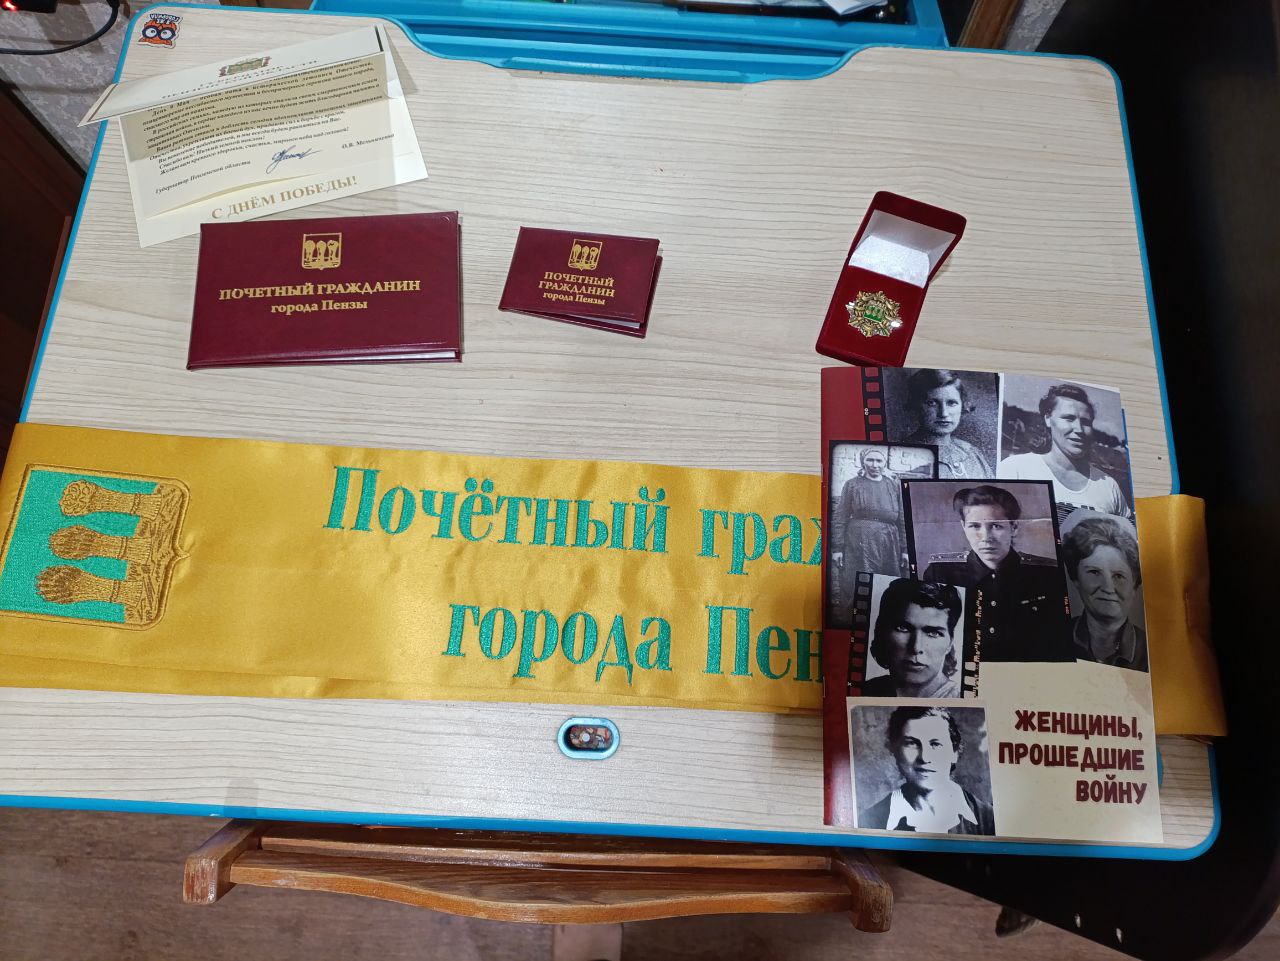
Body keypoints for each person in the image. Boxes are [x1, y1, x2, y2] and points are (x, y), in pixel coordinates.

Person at [922, 485, 1073, 662]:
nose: (985, 537)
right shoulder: (940, 573)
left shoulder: (1047, 574)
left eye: (996, 526)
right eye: (974, 526)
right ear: (963, 527)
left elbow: (1057, 641)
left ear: (1014, 527)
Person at [998, 383, 1132, 521]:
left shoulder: (1109, 486)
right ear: (1048, 419)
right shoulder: (1016, 469)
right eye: (1068, 418)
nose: (1079, 429)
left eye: (1085, 422)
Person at [859, 706, 995, 835]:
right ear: (894, 750)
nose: (925, 757)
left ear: (954, 752)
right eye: (911, 743)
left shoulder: (989, 820)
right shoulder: (868, 822)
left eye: (936, 744)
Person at [1062, 515, 1149, 671]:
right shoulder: (1054, 637)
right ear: (1076, 578)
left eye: (1118, 576)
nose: (1108, 588)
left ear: (1134, 584)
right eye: (1094, 572)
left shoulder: (1152, 651)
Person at [832, 448, 908, 619]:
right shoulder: (852, 484)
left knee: (888, 583)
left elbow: (902, 518)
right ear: (863, 462)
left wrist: (905, 550)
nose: (875, 465)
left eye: (879, 461)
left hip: (889, 540)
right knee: (858, 582)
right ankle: (854, 620)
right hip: (859, 540)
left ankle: (884, 620)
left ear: (885, 463)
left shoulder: (893, 485)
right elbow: (840, 517)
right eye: (870, 460)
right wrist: (837, 549)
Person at [863, 579, 963, 698]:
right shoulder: (865, 691)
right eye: (903, 628)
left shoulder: (962, 699)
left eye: (933, 633)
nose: (916, 647)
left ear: (950, 643)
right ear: (883, 632)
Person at [903, 368, 992, 478]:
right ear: (916, 406)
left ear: (962, 405)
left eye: (951, 403)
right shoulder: (904, 455)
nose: (943, 413)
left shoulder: (971, 452)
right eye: (932, 403)